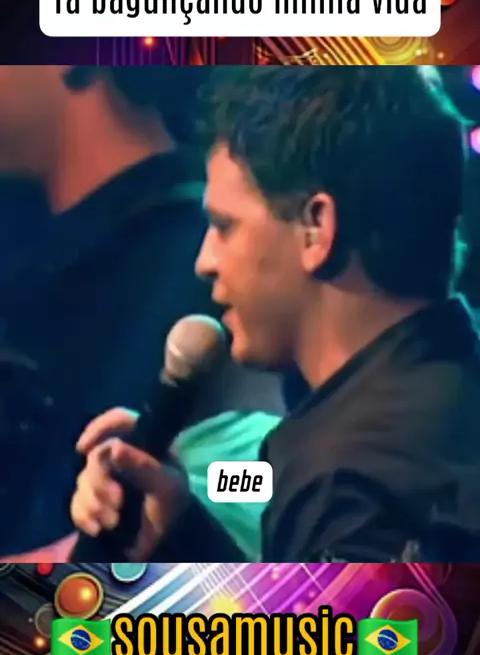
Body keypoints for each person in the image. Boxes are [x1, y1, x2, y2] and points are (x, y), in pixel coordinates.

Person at [70, 65, 480, 564]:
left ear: (316, 227)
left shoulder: (348, 476)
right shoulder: (443, 392)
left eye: (225, 226)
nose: (204, 262)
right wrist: (180, 524)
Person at [0, 65, 284, 560]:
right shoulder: (36, 256)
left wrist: (189, 484)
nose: (212, 256)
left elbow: (260, 477)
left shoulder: (203, 256)